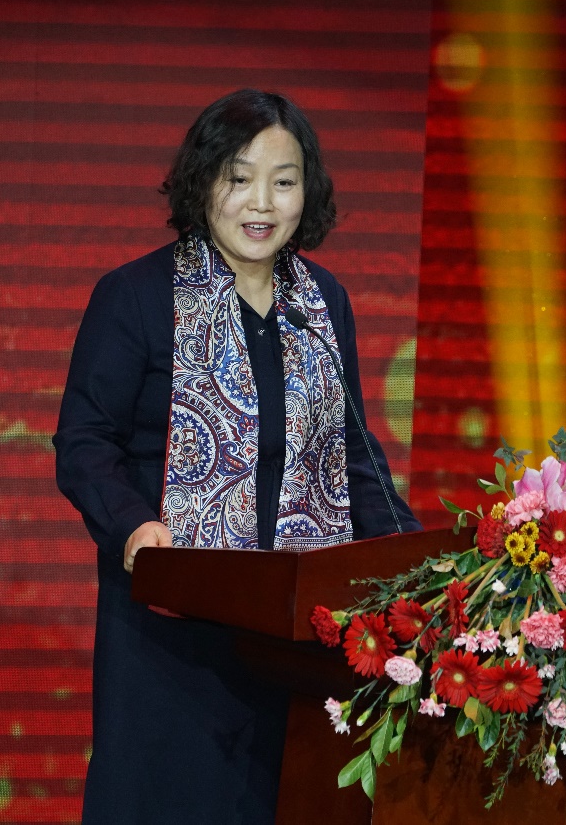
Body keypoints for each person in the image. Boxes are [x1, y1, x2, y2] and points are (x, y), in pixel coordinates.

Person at [53, 89, 420, 824]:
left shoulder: (324, 302)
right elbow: (85, 441)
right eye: (239, 177)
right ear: (202, 182)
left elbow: (350, 449)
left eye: (283, 181)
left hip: (296, 633)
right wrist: (132, 526)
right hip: (170, 621)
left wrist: (414, 563)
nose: (262, 203)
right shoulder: (136, 295)